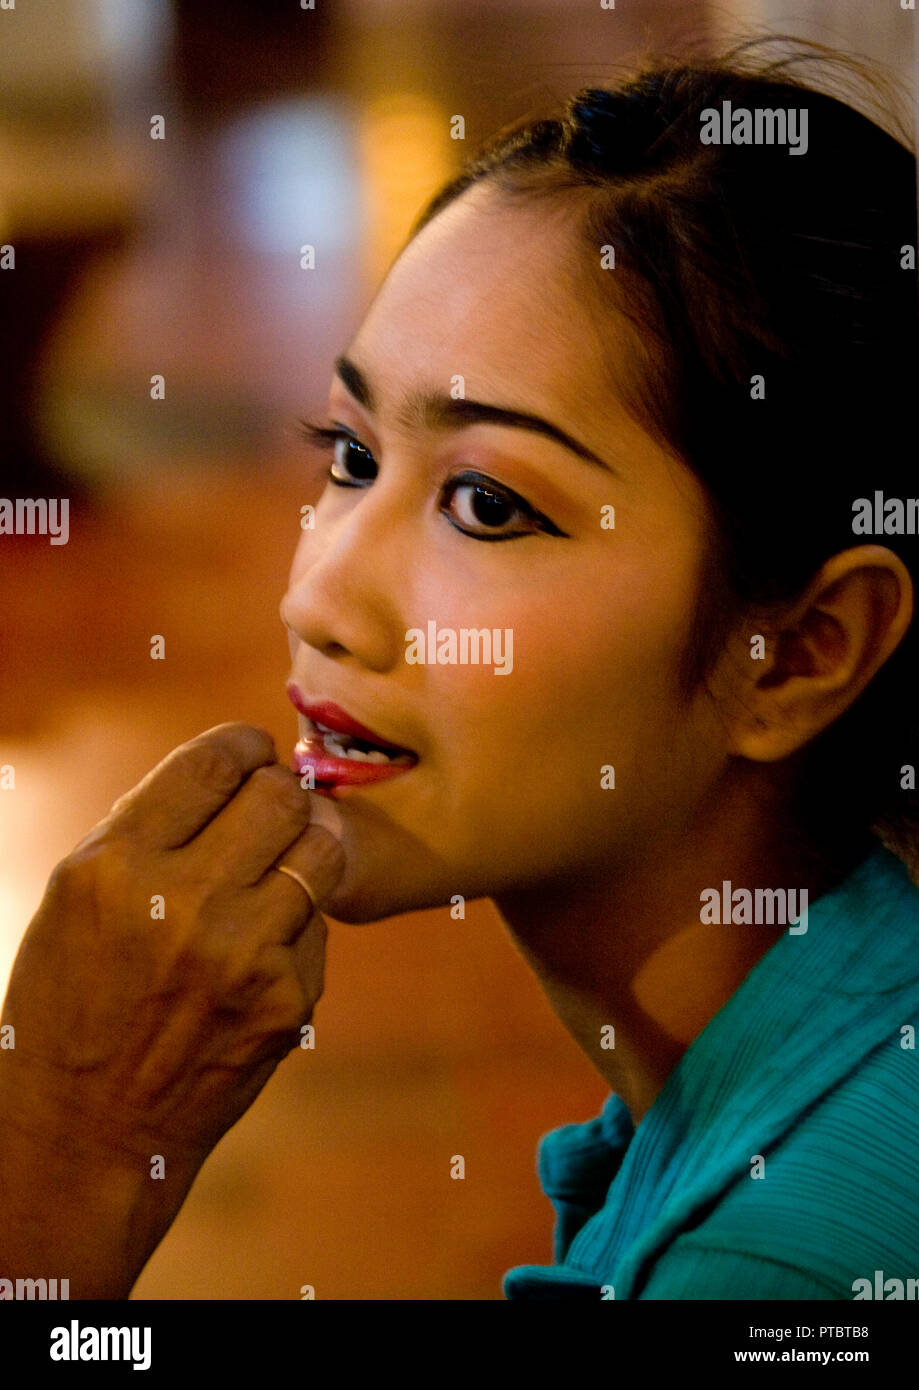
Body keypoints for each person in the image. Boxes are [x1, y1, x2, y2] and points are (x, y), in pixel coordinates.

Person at [2, 42, 918, 1300]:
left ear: (800, 656)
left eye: (487, 504)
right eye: (351, 452)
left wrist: (64, 1149)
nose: (317, 598)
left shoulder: (778, 1265)